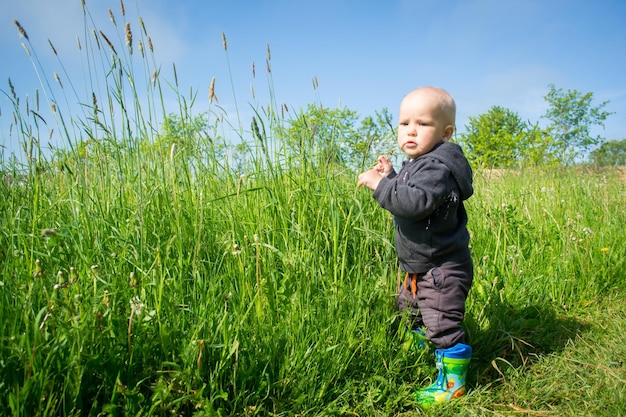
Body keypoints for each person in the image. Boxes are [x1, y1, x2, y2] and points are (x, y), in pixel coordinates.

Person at [357, 86, 474, 406]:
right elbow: (411, 190)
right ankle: (419, 357)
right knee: (409, 311)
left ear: (445, 132)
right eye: (404, 123)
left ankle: (452, 385)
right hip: (419, 266)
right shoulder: (422, 162)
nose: (410, 130)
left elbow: (414, 203)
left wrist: (379, 184)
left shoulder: (437, 166)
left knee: (441, 323)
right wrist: (392, 175)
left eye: (422, 124)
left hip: (440, 269)